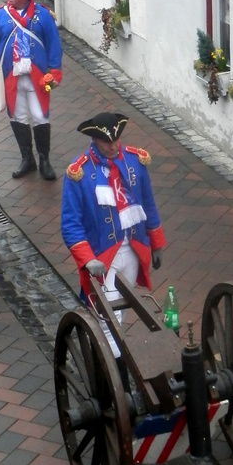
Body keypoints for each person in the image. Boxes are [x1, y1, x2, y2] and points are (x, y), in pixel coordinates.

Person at [61, 112, 166, 318]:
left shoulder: (136, 161)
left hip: (134, 249)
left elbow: (148, 204)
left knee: (121, 313)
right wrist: (87, 259)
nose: (113, 146)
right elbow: (70, 223)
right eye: (106, 142)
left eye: (116, 139)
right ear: (95, 140)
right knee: (108, 319)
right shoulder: (78, 172)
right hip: (102, 255)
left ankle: (113, 350)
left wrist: (156, 242)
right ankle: (111, 351)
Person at [0, 0, 62, 180]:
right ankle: (27, 158)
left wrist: (54, 71)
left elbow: (54, 45)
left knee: (40, 115)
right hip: (11, 75)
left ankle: (44, 160)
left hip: (38, 76)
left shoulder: (44, 15)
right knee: (17, 116)